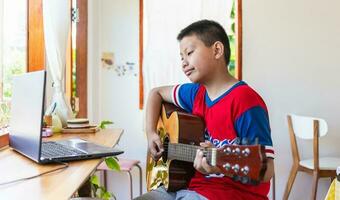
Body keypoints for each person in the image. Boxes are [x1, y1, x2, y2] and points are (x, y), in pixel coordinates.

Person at [136, 19, 275, 200]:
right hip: (189, 188)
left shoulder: (245, 100)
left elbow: (267, 169)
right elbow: (156, 93)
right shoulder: (195, 93)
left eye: (190, 53)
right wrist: (151, 133)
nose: (184, 63)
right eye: (181, 57)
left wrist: (221, 165)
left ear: (217, 50)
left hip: (232, 195)